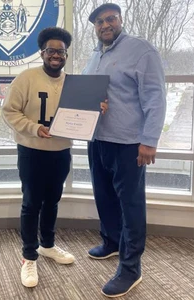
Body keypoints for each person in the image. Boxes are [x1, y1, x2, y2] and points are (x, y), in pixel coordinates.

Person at [2, 27, 107, 288]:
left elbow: (83, 116)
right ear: (42, 53)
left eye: (61, 51)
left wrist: (98, 108)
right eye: (51, 50)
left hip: (61, 152)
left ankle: (47, 245)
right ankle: (28, 256)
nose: (56, 55)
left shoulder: (74, 83)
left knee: (52, 201)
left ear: (66, 55)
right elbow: (9, 112)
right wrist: (34, 128)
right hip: (32, 151)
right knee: (31, 204)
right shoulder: (26, 78)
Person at [83, 3, 166, 298]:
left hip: (130, 144)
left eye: (110, 19)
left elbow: (155, 98)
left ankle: (131, 267)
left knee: (130, 205)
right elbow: (89, 93)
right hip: (98, 140)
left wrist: (149, 140)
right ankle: (111, 242)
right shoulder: (95, 55)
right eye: (99, 22)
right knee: (104, 196)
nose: (104, 25)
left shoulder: (141, 51)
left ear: (120, 20)